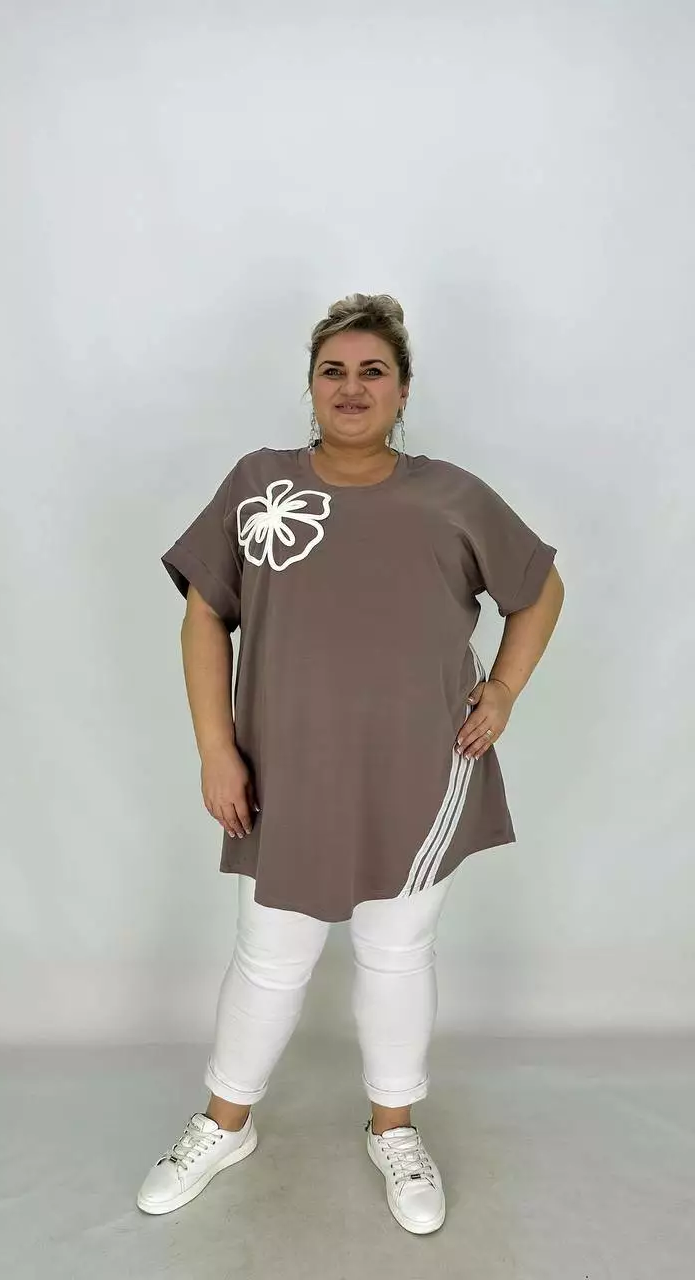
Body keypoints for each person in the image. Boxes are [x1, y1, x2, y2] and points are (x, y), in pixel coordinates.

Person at [136, 293, 564, 1234]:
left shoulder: (451, 496)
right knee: (269, 955)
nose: (352, 386)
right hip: (285, 774)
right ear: (311, 387)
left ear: (404, 390)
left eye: (374, 371)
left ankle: (394, 1130)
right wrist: (216, 748)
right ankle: (224, 1123)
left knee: (396, 952)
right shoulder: (259, 484)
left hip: (421, 774)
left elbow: (540, 588)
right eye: (333, 370)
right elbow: (205, 615)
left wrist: (501, 690)